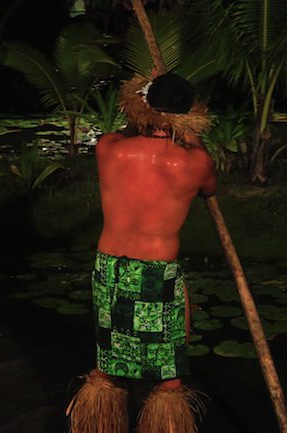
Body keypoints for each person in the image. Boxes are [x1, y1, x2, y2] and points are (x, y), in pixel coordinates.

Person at [66, 72, 216, 433]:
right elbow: (210, 190)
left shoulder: (108, 148)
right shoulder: (195, 164)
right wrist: (187, 133)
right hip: (154, 274)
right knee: (167, 373)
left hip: (110, 269)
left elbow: (127, 129)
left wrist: (141, 108)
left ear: (142, 107)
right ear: (184, 116)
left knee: (108, 362)